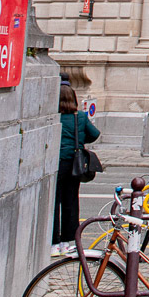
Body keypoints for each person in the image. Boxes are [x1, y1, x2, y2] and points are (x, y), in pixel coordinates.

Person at [52, 81, 100, 253]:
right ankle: (67, 240)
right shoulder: (79, 117)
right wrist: (80, 141)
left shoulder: (54, 116)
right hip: (74, 162)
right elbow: (95, 134)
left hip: (57, 162)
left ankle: (53, 242)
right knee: (71, 201)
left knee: (54, 202)